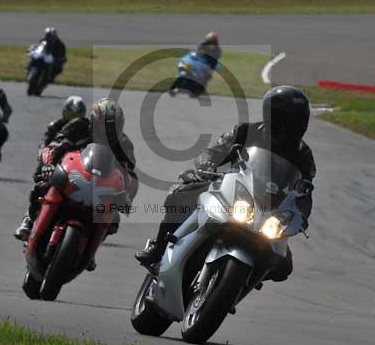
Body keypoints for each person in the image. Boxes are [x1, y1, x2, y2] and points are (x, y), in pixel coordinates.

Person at [135, 86, 315, 282]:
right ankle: (159, 248)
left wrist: (301, 215)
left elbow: (304, 192)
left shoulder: (304, 155)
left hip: (269, 212)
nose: (292, 125)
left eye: (298, 119)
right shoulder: (245, 131)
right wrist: (205, 165)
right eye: (288, 118)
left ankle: (239, 284)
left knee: (283, 267)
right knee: (179, 194)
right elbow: (214, 151)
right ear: (273, 115)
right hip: (234, 191)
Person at [13, 97, 138, 245]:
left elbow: (130, 175)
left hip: (101, 184)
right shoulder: (77, 127)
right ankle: (29, 220)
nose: (106, 132)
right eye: (102, 126)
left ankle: (91, 245)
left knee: (113, 217)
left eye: (111, 128)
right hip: (69, 172)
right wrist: (48, 164)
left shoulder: (124, 144)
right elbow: (53, 147)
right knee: (43, 184)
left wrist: (127, 196)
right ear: (93, 121)